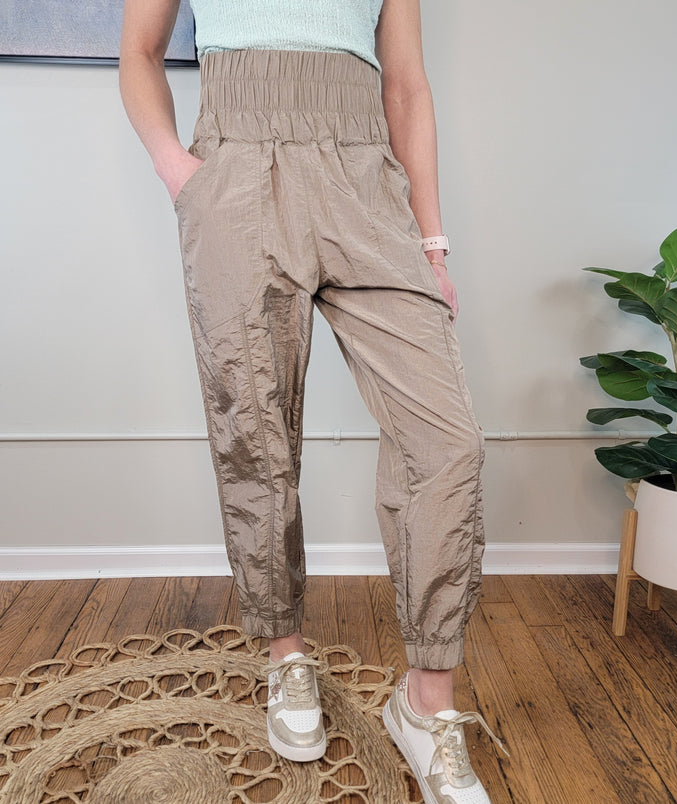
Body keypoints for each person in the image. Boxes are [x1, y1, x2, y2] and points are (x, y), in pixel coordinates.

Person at [119, 1, 507, 801]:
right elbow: (140, 53)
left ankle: (425, 703)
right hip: (236, 175)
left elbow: (405, 87)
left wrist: (431, 243)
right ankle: (285, 657)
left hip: (365, 181)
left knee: (447, 441)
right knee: (255, 435)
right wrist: (181, 174)